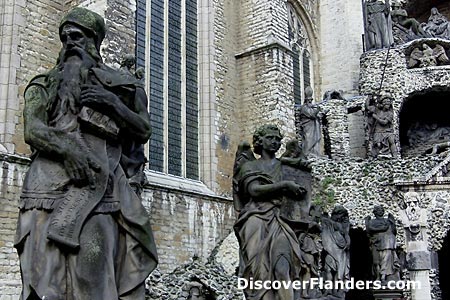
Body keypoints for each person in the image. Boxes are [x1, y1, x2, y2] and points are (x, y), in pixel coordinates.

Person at [14, 7, 157, 299]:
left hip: (99, 187)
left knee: (95, 276)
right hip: (44, 187)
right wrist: (68, 150)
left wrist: (112, 103)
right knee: (43, 279)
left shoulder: (122, 85)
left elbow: (143, 129)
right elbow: (33, 130)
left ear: (94, 40)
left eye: (76, 37)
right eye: (64, 38)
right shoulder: (44, 83)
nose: (69, 44)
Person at [233, 124, 306, 300]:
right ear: (260, 141)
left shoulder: (286, 167)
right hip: (255, 218)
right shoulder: (249, 166)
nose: (275, 142)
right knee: (258, 274)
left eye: (278, 139)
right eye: (270, 138)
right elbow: (254, 190)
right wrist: (284, 185)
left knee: (283, 268)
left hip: (281, 220)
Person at [321, 205, 350, 298]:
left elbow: (346, 234)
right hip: (330, 248)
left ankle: (336, 290)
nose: (340, 217)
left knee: (339, 270)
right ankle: (328, 289)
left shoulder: (342, 225)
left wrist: (348, 242)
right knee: (328, 268)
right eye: (339, 214)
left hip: (341, 248)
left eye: (342, 215)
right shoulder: (327, 221)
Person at [365, 206, 400, 283]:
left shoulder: (387, 221)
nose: (380, 211)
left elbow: (393, 231)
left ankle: (383, 276)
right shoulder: (372, 222)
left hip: (387, 244)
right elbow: (370, 229)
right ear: (375, 212)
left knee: (386, 260)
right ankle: (377, 276)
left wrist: (392, 222)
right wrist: (382, 228)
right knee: (376, 262)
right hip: (376, 243)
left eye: (382, 210)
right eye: (378, 210)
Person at [298, 87, 323, 156]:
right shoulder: (304, 108)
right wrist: (317, 110)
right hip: (308, 127)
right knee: (308, 140)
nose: (310, 102)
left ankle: (315, 153)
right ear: (306, 100)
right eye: (309, 100)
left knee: (316, 140)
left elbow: (315, 115)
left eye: (311, 100)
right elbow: (311, 114)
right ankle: (308, 154)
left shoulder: (311, 108)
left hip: (314, 127)